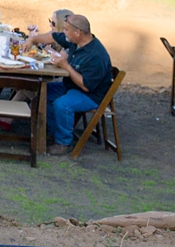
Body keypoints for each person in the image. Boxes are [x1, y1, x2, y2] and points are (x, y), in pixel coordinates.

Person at [24, 10, 113, 154]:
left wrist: (66, 66)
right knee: (41, 91)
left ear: (77, 32)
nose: (63, 32)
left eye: (66, 30)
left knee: (62, 104)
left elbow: (86, 86)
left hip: (91, 95)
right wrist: (33, 40)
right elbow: (52, 36)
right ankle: (54, 132)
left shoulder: (96, 55)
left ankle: (63, 143)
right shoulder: (75, 41)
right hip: (71, 86)